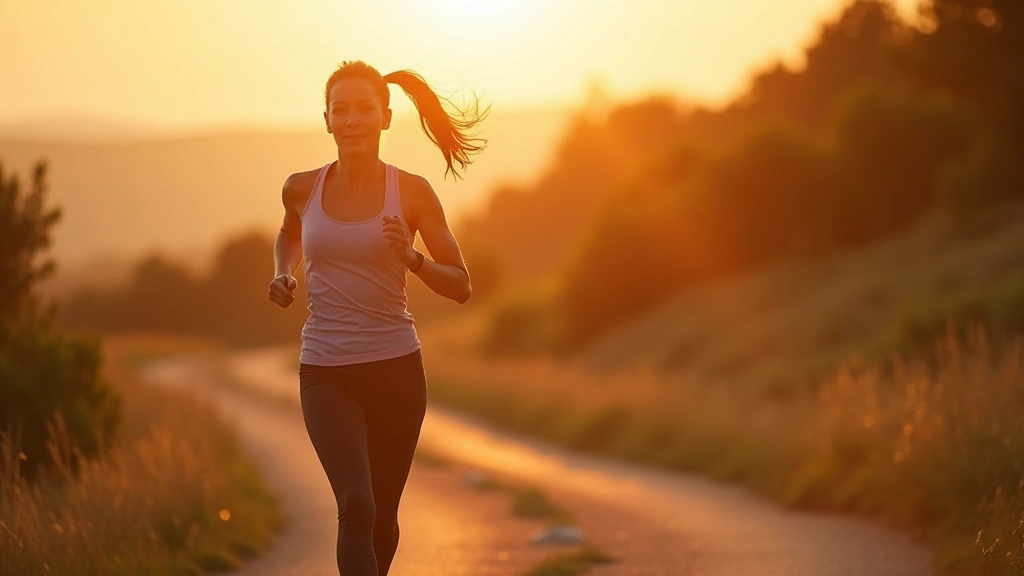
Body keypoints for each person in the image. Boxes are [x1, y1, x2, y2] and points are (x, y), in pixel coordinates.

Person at [267, 60, 485, 575]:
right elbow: (289, 235)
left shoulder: (411, 192)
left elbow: (462, 284)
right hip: (326, 371)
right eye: (340, 110)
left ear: (386, 118)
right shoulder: (302, 188)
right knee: (356, 505)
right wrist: (283, 273)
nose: (352, 120)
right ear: (326, 120)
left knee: (382, 516)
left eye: (364, 109)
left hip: (396, 372)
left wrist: (413, 260)